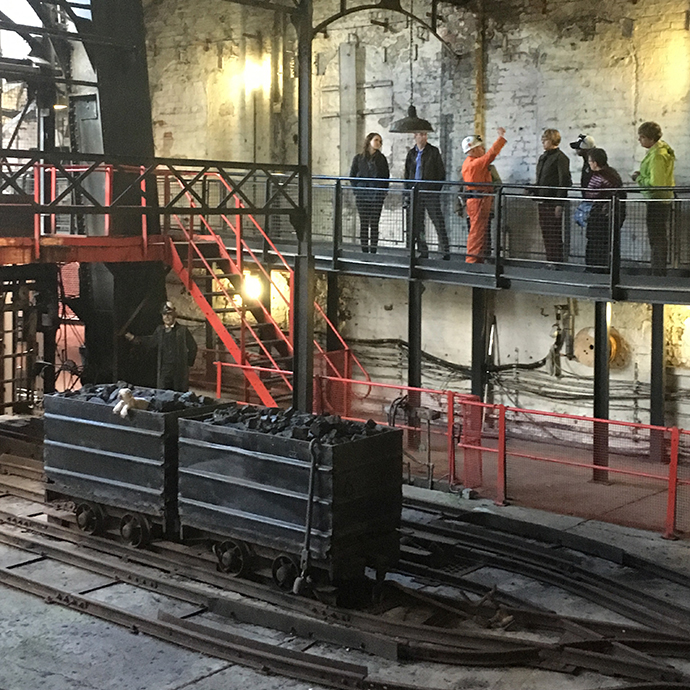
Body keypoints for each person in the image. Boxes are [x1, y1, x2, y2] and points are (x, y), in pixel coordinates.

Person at [632, 121, 675, 274]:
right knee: (659, 237)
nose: (640, 140)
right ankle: (658, 269)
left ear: (649, 138)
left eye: (642, 137)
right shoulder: (661, 151)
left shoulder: (657, 156)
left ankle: (658, 271)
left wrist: (639, 179)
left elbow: (656, 183)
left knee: (656, 238)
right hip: (661, 200)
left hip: (657, 201)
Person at [125, 301, 198, 391]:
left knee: (179, 394)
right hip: (165, 370)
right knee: (162, 393)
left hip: (179, 371)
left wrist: (187, 363)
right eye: (164, 315)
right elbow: (150, 342)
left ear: (174, 315)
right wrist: (134, 338)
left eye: (169, 314)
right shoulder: (160, 330)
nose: (166, 317)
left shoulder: (182, 331)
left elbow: (193, 347)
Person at [460, 127, 507, 263]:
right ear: (473, 150)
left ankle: (476, 259)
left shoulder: (468, 164)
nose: (483, 150)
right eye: (480, 148)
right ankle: (472, 261)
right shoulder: (475, 164)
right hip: (479, 200)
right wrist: (500, 138)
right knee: (477, 232)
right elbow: (491, 155)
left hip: (478, 199)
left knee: (479, 231)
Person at [404, 131, 450, 260]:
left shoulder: (433, 151)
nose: (424, 137)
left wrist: (435, 190)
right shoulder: (411, 153)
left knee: (438, 221)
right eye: (421, 134)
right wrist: (407, 192)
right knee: (418, 224)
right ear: (415, 136)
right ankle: (422, 250)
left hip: (429, 192)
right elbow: (407, 174)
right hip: (416, 192)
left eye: (425, 134)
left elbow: (441, 173)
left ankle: (445, 250)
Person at [583, 148, 625, 268]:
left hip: (600, 215)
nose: (589, 164)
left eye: (590, 161)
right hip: (614, 214)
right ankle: (611, 268)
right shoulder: (612, 173)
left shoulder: (598, 177)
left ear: (595, 163)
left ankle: (595, 267)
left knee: (595, 242)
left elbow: (589, 194)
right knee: (611, 243)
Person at [349, 132, 390, 254]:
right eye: (376, 140)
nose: (379, 143)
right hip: (362, 195)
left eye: (380, 141)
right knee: (364, 223)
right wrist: (357, 190)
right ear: (369, 141)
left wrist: (383, 192)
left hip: (376, 195)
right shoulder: (358, 158)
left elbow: (386, 177)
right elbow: (352, 176)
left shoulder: (381, 159)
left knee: (374, 223)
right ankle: (364, 250)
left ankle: (373, 251)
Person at [535, 129, 572, 263]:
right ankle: (550, 259)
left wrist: (559, 203)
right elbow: (541, 179)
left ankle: (556, 260)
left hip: (552, 201)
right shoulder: (543, 157)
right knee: (546, 232)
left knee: (553, 233)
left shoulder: (561, 158)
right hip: (543, 200)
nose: (543, 142)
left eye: (545, 140)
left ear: (551, 140)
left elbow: (564, 181)